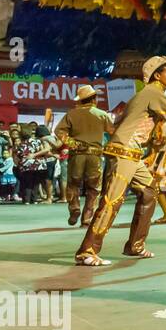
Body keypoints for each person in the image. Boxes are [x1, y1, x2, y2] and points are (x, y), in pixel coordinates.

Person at [74, 56, 166, 267]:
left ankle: (135, 245)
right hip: (125, 151)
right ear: (157, 75)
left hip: (131, 152)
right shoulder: (153, 92)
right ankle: (87, 251)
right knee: (111, 201)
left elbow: (119, 122)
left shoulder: (142, 95)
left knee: (150, 192)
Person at [54, 84, 114, 226]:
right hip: (95, 155)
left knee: (73, 184)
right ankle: (87, 217)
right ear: (94, 99)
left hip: (77, 155)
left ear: (80, 100)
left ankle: (74, 208)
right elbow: (113, 132)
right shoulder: (102, 114)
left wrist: (73, 143)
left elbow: (59, 132)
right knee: (93, 188)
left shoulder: (71, 114)